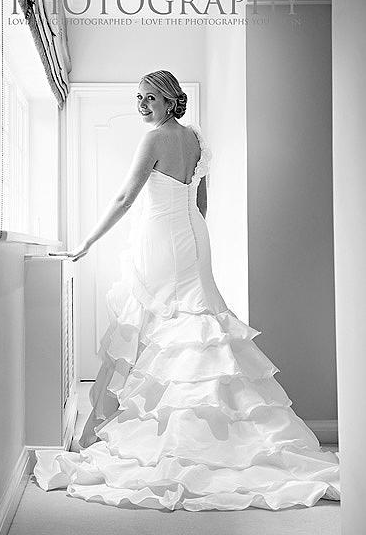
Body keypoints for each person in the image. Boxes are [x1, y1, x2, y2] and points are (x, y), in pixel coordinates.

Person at [33, 70, 340, 511]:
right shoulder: (194, 137)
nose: (143, 106)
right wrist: (193, 235)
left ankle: (179, 432)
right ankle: (221, 424)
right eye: (138, 98)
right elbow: (200, 201)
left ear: (170, 100)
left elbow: (125, 198)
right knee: (198, 324)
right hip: (193, 238)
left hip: (164, 240)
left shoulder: (155, 139)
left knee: (173, 326)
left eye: (151, 99)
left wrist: (86, 242)